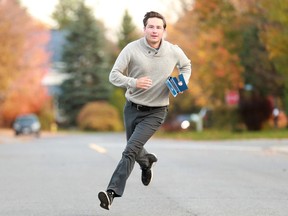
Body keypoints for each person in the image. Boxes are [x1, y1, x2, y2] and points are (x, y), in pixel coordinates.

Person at [98, 11, 191, 210]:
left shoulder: (173, 51)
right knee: (134, 148)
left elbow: (186, 65)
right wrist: (133, 82)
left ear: (164, 30)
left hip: (156, 111)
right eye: (151, 26)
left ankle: (111, 193)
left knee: (129, 150)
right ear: (144, 29)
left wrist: (182, 82)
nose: (154, 30)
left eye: (158, 27)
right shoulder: (131, 49)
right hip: (132, 108)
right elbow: (113, 75)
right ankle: (147, 161)